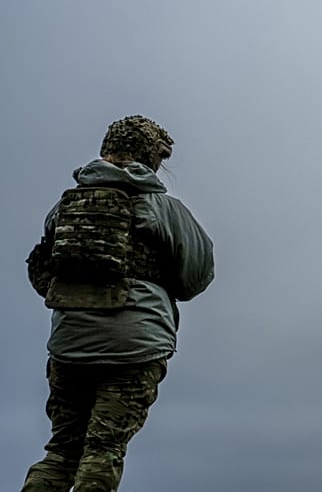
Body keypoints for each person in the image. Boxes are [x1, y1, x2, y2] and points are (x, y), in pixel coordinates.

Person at [22, 115, 215, 492]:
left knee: (61, 450)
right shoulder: (165, 209)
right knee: (103, 449)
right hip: (137, 346)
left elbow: (41, 269)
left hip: (69, 343)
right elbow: (197, 276)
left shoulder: (64, 206)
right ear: (151, 158)